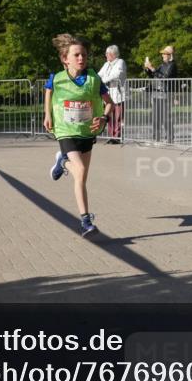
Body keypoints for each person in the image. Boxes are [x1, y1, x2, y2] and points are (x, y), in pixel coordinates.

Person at [44, 34, 114, 237]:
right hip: (65, 130)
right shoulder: (57, 78)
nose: (81, 58)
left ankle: (62, 162)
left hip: (86, 131)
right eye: (77, 55)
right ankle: (85, 221)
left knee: (81, 178)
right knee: (80, 170)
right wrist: (47, 114)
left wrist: (103, 118)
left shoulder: (94, 78)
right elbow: (48, 91)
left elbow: (109, 102)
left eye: (84, 54)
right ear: (65, 59)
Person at [144, 45, 177, 144]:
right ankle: (156, 137)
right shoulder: (162, 65)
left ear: (170, 55)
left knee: (166, 117)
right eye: (162, 54)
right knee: (156, 117)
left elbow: (165, 77)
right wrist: (147, 69)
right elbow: (153, 75)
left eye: (165, 54)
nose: (162, 55)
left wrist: (152, 69)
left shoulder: (172, 65)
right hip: (157, 93)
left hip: (166, 94)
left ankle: (169, 138)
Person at [98, 45, 127, 144]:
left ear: (112, 54)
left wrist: (104, 80)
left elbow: (117, 74)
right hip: (109, 94)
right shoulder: (106, 64)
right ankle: (111, 136)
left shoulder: (120, 62)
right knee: (109, 116)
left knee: (118, 116)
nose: (106, 55)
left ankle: (117, 137)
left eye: (107, 53)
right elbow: (99, 75)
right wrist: (97, 80)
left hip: (118, 93)